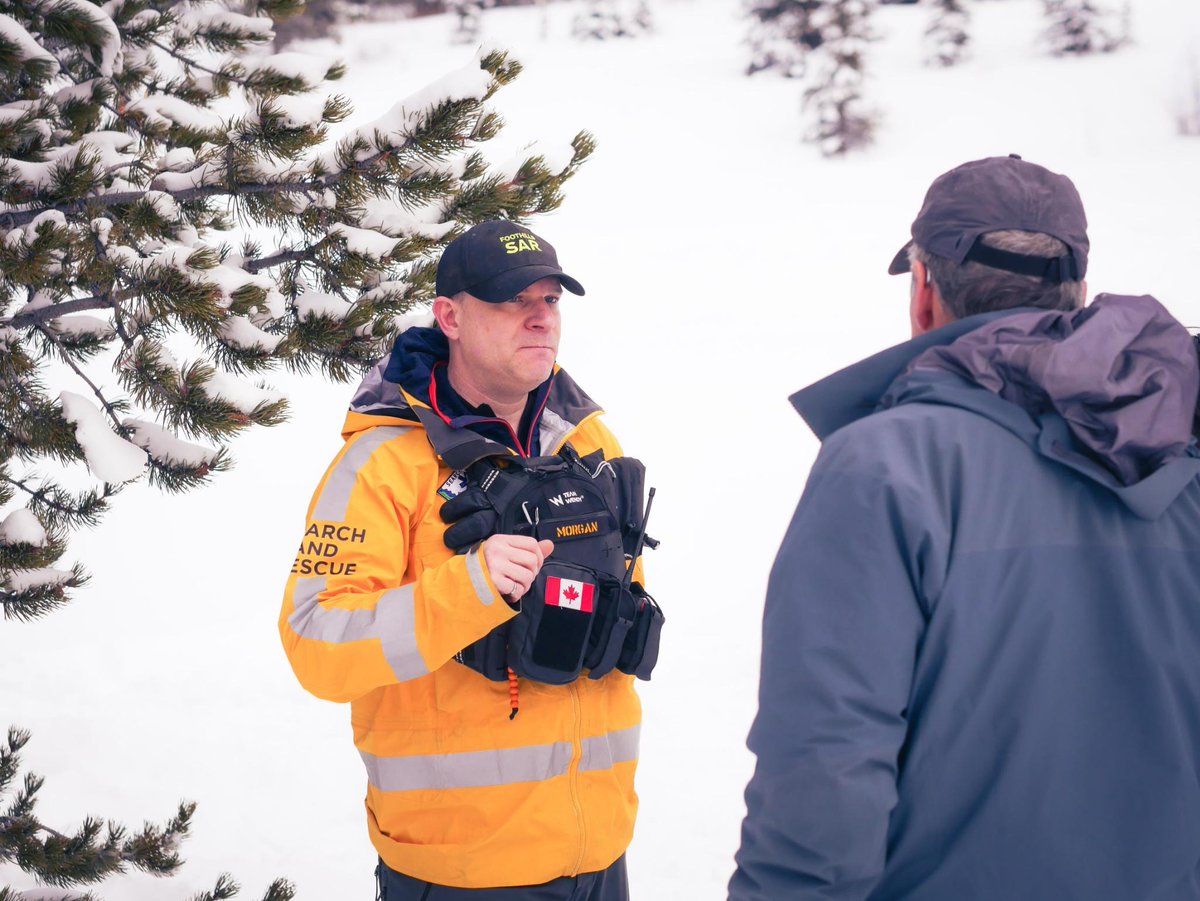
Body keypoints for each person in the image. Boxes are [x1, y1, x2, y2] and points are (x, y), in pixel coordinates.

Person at [729, 155, 1200, 901]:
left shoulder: (885, 466)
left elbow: (827, 768)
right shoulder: (1182, 448)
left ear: (925, 290)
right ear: (1074, 289)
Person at [280, 220, 648, 900]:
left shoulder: (589, 439)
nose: (541, 319)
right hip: (461, 871)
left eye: (552, 300)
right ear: (449, 315)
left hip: (599, 855)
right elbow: (314, 638)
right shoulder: (383, 461)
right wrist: (469, 589)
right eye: (515, 300)